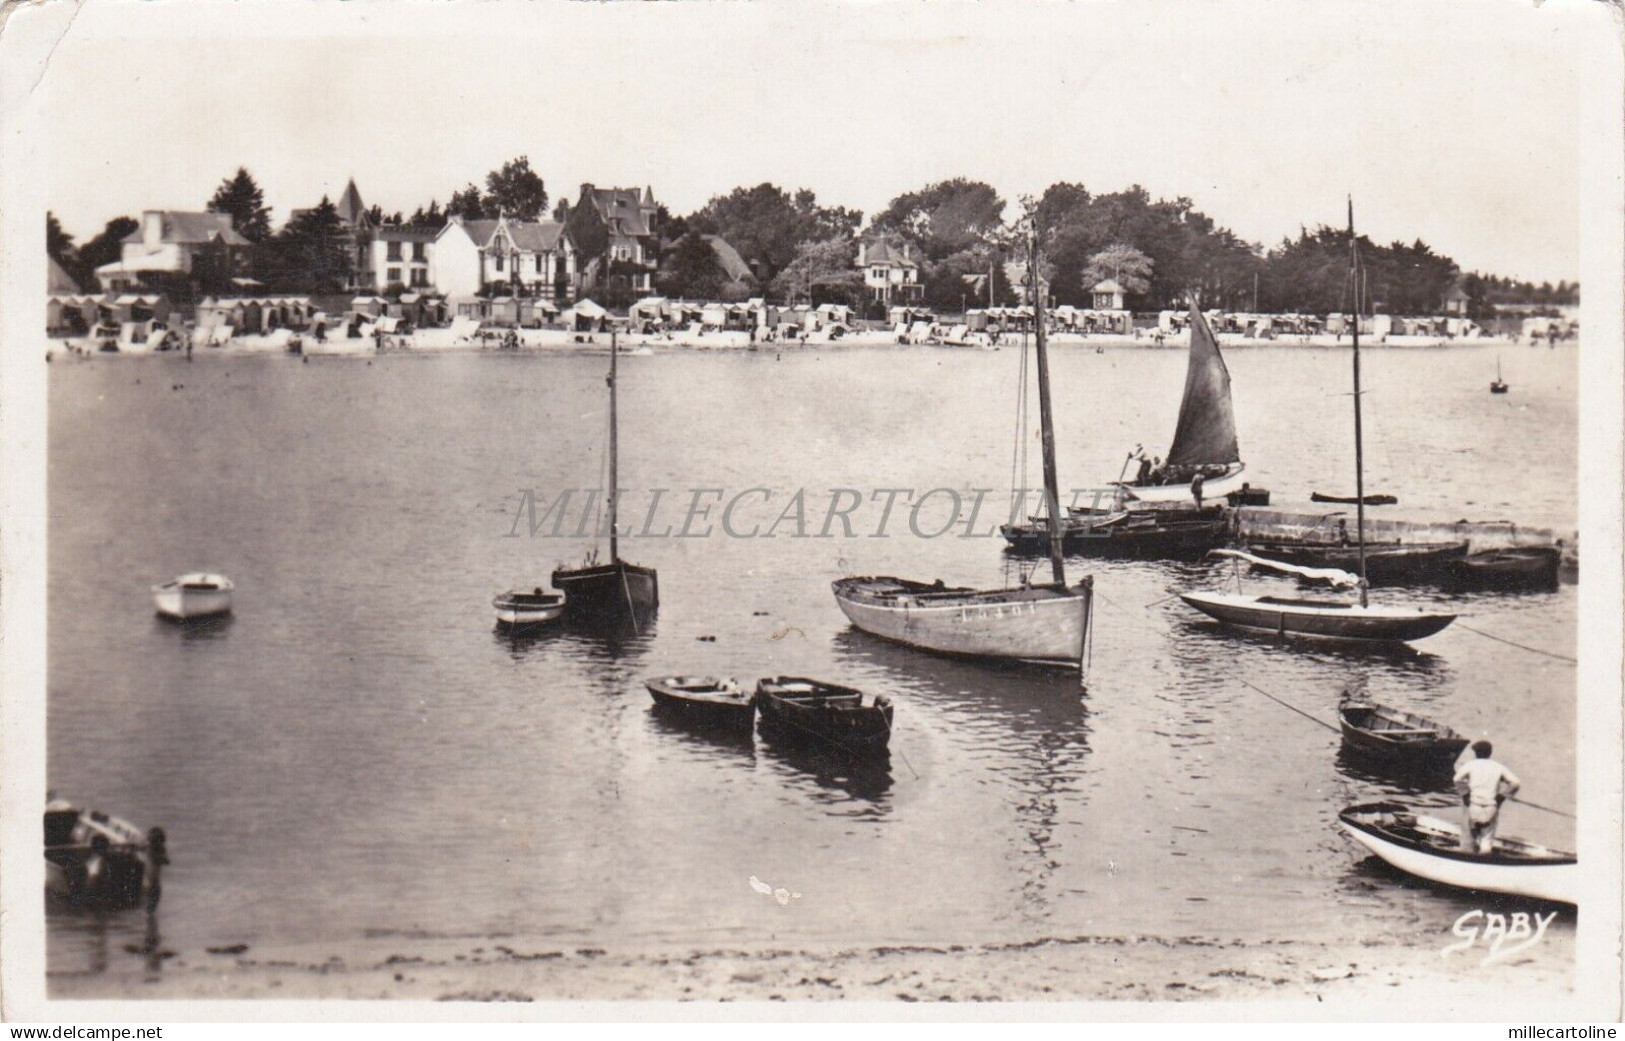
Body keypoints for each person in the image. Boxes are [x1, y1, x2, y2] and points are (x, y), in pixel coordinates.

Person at [1452, 740, 1521, 854]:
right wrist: (1501, 796)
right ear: (1490, 752)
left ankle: (1466, 860)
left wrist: (1465, 794)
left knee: (1467, 839)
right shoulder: (1498, 767)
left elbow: (1457, 779)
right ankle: (1483, 858)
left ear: (1475, 753)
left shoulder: (1470, 765)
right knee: (1486, 840)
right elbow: (1515, 783)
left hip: (1472, 805)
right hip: (1491, 806)